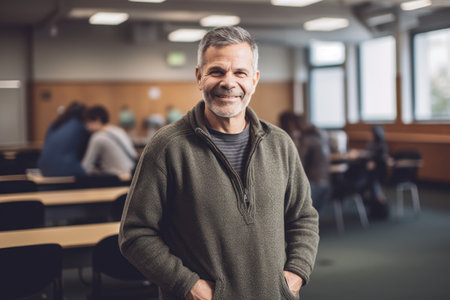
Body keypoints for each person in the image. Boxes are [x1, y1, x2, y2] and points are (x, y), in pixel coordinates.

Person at [119, 26, 319, 300]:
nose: (229, 82)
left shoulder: (280, 143)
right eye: (217, 71)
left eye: (240, 72)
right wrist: (188, 285)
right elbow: (136, 234)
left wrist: (297, 272)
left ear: (254, 80)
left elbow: (303, 217)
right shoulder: (168, 146)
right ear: (199, 77)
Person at [280, 112, 331, 214]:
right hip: (326, 182)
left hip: (312, 184)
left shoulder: (306, 140)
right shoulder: (322, 134)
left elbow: (298, 165)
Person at [81, 105, 137, 177]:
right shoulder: (119, 131)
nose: (87, 127)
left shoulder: (97, 137)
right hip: (133, 176)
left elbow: (86, 167)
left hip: (117, 180)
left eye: (88, 122)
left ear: (98, 120)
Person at [38, 101, 90, 176]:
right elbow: (85, 152)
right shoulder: (79, 126)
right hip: (66, 170)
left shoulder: (55, 123)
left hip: (44, 169)